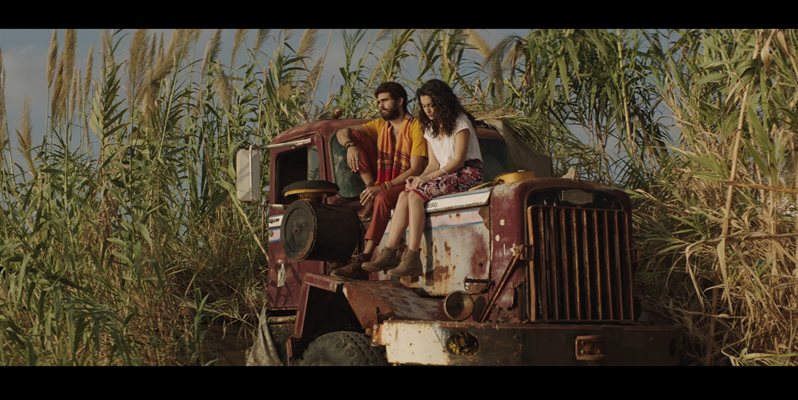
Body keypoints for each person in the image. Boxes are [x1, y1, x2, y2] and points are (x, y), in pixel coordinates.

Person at [362, 79, 484, 278]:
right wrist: (420, 178)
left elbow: (458, 160)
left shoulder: (460, 121)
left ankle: (412, 256)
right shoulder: (430, 127)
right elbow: (433, 164)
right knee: (405, 194)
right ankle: (390, 252)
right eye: (424, 106)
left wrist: (429, 179)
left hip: (468, 173)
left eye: (431, 105)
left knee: (416, 196)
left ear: (442, 102)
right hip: (446, 173)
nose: (427, 110)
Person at [331, 82, 428, 280]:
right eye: (378, 101)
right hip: (386, 183)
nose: (380, 105)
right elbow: (342, 132)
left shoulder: (415, 126)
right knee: (355, 135)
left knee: (382, 198)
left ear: (400, 101)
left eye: (384, 101)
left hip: (409, 181)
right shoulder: (381, 126)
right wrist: (350, 146)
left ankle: (365, 257)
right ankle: (369, 186)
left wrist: (382, 187)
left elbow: (416, 168)